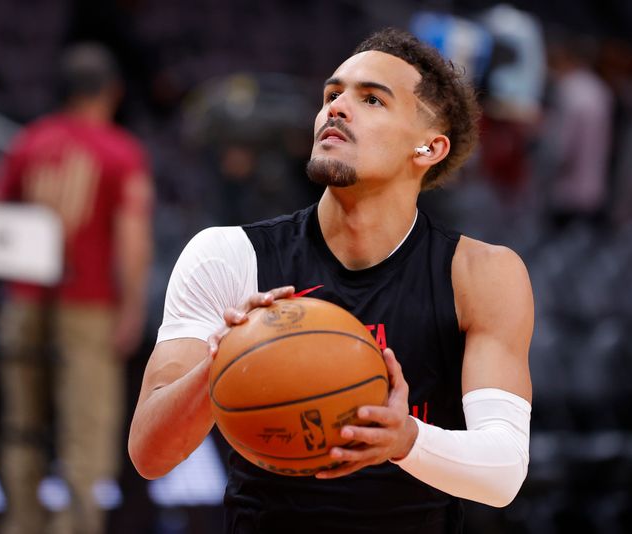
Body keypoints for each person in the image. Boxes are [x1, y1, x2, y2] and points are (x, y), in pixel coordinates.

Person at [129, 28, 532, 533]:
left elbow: (504, 471)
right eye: (332, 94)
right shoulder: (228, 255)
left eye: (371, 99)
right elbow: (149, 454)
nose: (337, 108)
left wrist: (406, 439)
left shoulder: (481, 273)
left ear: (429, 148)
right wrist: (221, 362)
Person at [0, 43, 153, 534]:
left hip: (24, 301)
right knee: (86, 434)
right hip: (89, 308)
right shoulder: (120, 151)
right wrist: (131, 308)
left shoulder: (30, 142)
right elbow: (133, 240)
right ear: (113, 92)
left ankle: (19, 524)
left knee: (22, 428)